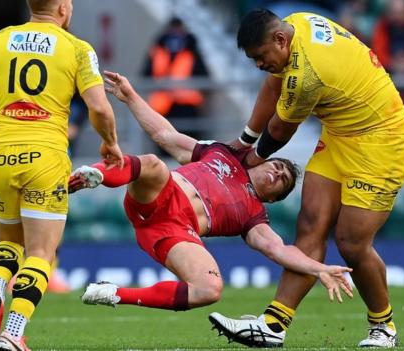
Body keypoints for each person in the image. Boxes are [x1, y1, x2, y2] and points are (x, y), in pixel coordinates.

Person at [208, 9, 404, 348]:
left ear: (278, 40)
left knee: (351, 242)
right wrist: (244, 140)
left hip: (383, 140)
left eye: (260, 57)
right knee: (311, 223)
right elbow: (272, 87)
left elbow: (280, 129)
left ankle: (384, 326)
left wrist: (250, 164)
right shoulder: (296, 23)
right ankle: (274, 324)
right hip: (341, 133)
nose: (259, 64)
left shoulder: (307, 74)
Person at [73, 71, 353, 318]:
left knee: (210, 289)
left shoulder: (255, 216)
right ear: (265, 161)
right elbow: (165, 135)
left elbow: (279, 250)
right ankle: (95, 174)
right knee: (155, 164)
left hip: (175, 231)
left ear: (273, 199)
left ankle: (114, 294)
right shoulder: (221, 154)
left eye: (283, 182)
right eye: (278, 166)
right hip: (160, 196)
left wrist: (320, 269)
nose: (278, 174)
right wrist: (131, 96)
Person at [0, 0, 123, 350]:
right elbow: (98, 107)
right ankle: (13, 332)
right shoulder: (77, 48)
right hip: (45, 156)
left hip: (0, 153)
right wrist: (110, 142)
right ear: (64, 8)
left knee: (8, 243)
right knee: (41, 253)